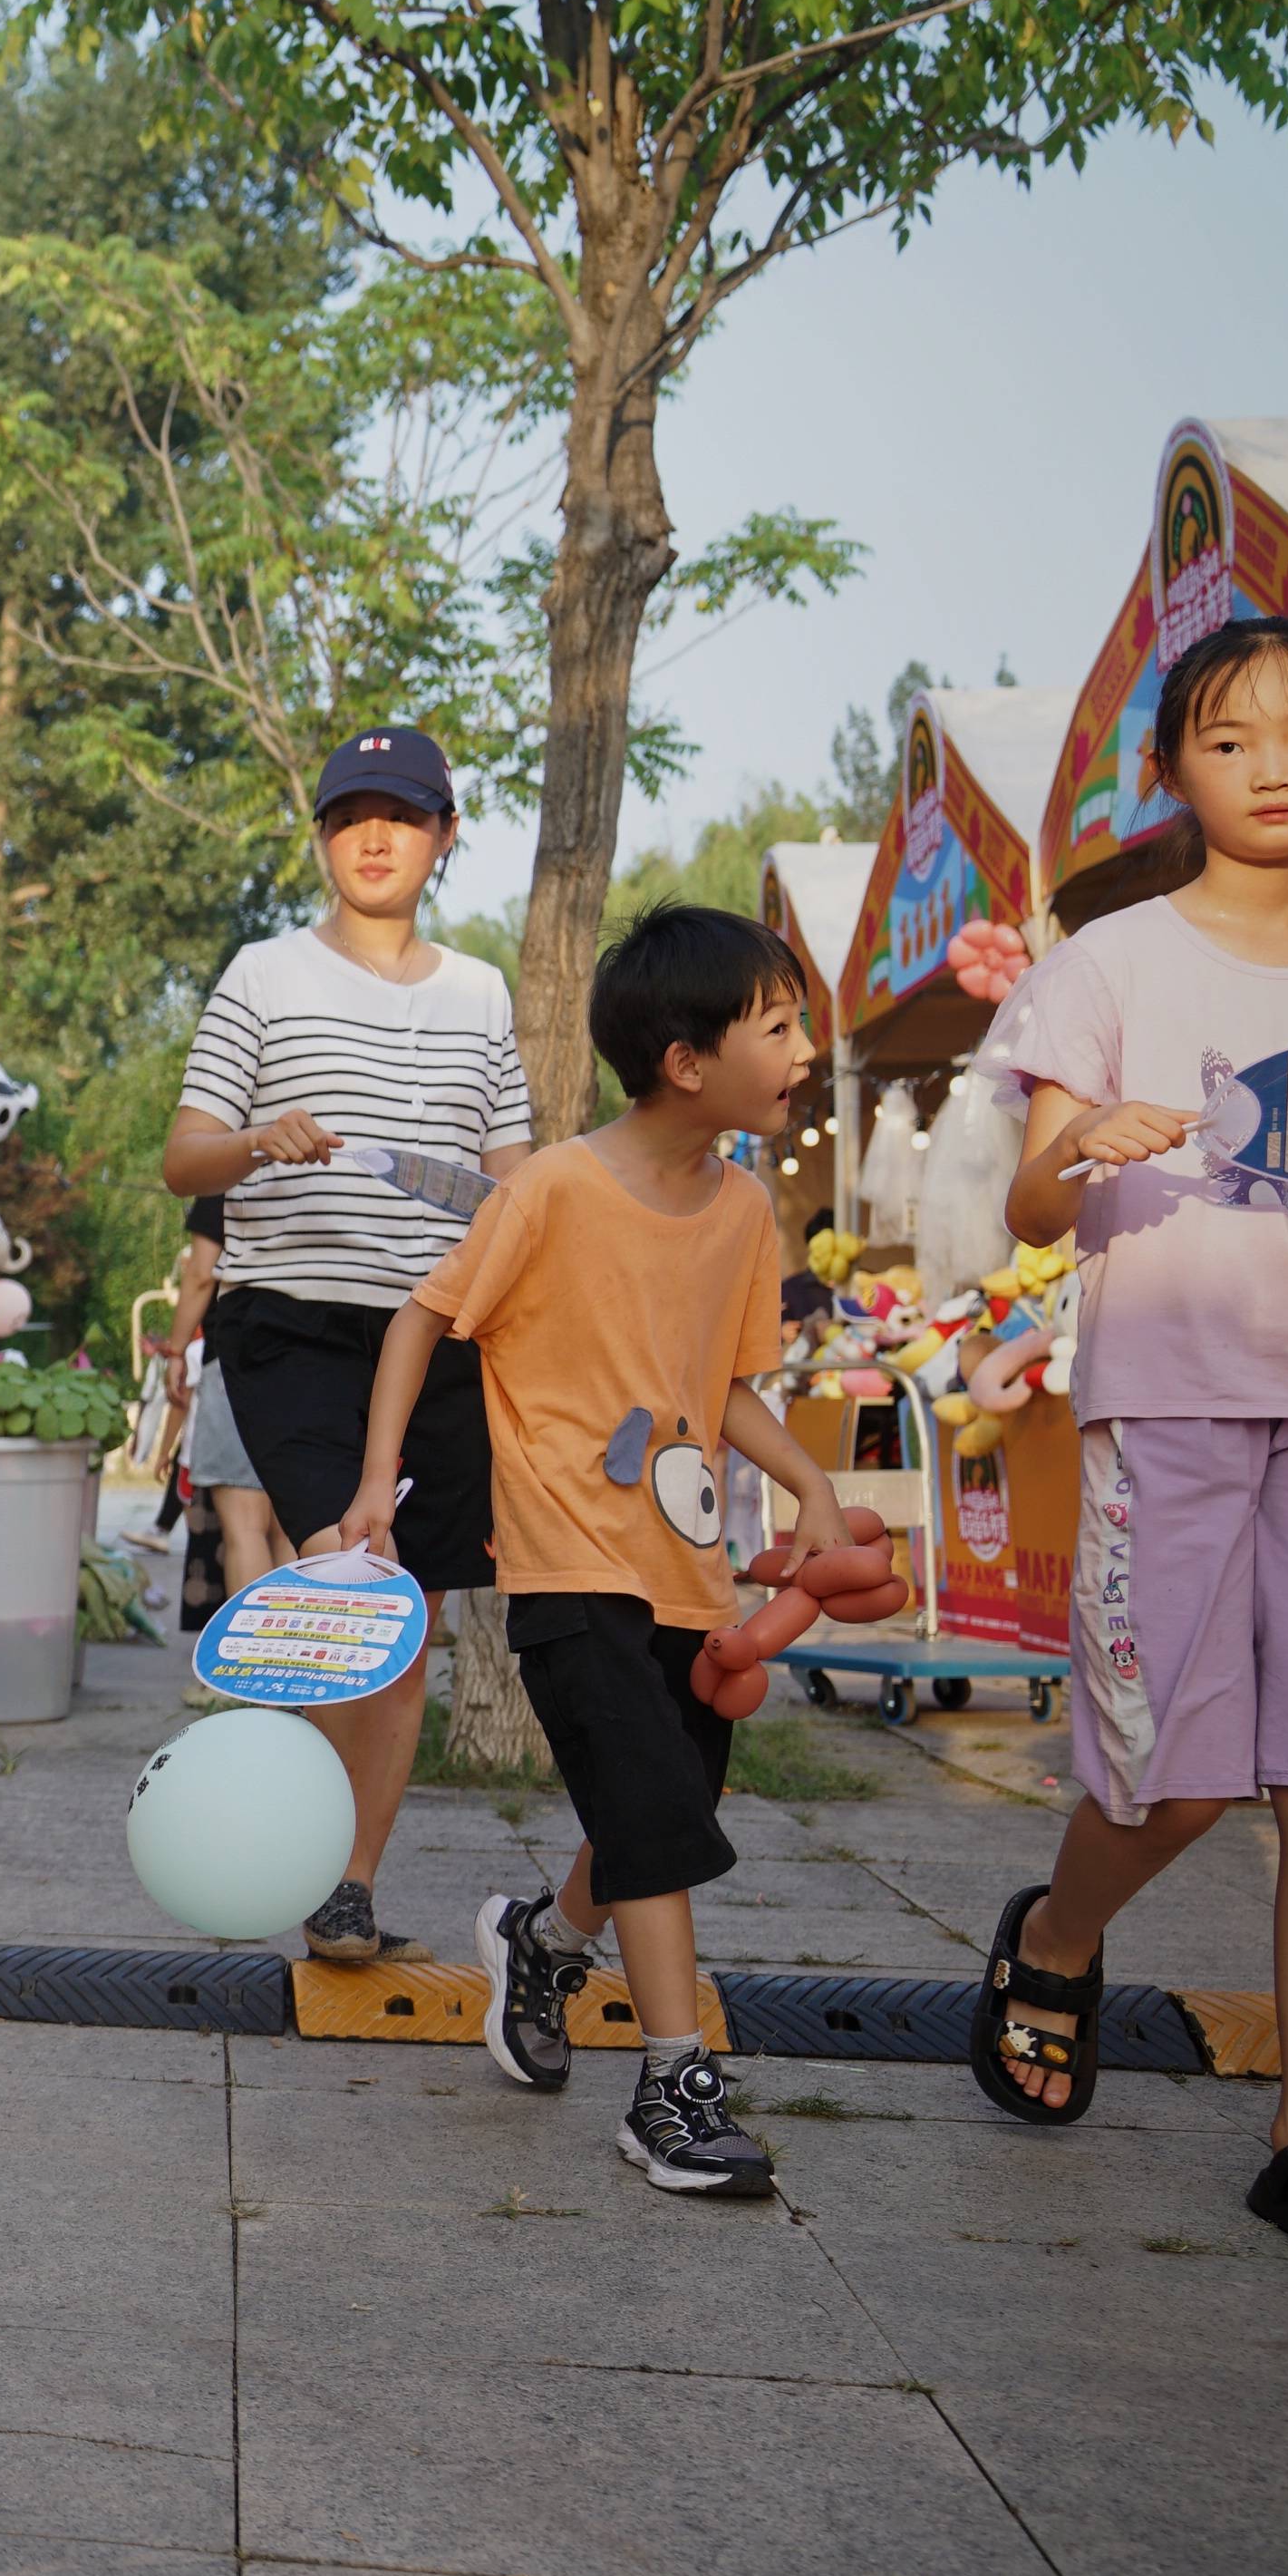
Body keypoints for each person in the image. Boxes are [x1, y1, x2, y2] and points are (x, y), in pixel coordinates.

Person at [968, 614, 1288, 2269]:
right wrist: (1086, 1146)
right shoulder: (1109, 962)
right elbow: (1030, 1201)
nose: (1270, 764)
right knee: (1172, 1770)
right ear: (1170, 768)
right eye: (1228, 735)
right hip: (1164, 1398)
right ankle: (1052, 1939)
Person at [324, 907, 847, 2196]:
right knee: (654, 1812)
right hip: (564, 1559)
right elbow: (424, 1318)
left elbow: (718, 1385)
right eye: (777, 1026)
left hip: (687, 1566)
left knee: (666, 1803)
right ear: (685, 1059)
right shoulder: (552, 1189)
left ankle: (548, 1948)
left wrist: (808, 1484)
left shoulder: (742, 1212)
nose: (802, 1049)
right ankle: (675, 2084)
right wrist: (376, 1487)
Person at [162, 726, 535, 1959]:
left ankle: (348, 1879)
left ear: (443, 835)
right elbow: (184, 1156)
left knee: (402, 1623)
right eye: (349, 816)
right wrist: (257, 1139)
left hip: (431, 1340)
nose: (374, 837)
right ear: (322, 837)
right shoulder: (262, 975)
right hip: (290, 1330)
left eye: (403, 815)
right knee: (351, 1590)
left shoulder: (481, 992)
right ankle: (285, 1835)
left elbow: (513, 1176)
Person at [165, 1196, 286, 1581]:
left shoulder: (228, 1176)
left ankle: (253, 1644)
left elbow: (202, 1273)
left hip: (239, 1359)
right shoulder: (329, 1166)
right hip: (317, 1360)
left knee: (245, 1528)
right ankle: (292, 1640)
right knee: (295, 1528)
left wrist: (177, 1350)